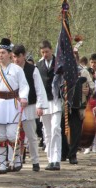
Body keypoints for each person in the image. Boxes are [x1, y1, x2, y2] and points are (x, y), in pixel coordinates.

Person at [0, 38, 29, 174]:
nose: (1, 55)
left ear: (10, 54)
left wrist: (23, 98)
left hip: (12, 104)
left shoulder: (17, 70)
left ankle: (16, 161)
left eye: (3, 52)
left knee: (12, 135)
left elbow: (24, 85)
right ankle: (2, 164)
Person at [12, 44, 48, 172]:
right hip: (14, 105)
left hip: (30, 105)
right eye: (14, 57)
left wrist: (40, 105)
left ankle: (35, 161)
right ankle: (15, 161)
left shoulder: (33, 69)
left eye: (19, 56)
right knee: (13, 135)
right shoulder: (10, 70)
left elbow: (39, 88)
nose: (16, 60)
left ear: (24, 55)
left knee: (31, 135)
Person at [36, 40, 62, 171]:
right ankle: (50, 159)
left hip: (56, 100)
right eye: (43, 52)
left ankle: (56, 160)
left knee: (56, 129)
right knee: (47, 132)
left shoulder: (59, 63)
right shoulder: (38, 65)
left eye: (47, 51)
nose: (45, 54)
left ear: (51, 50)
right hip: (44, 102)